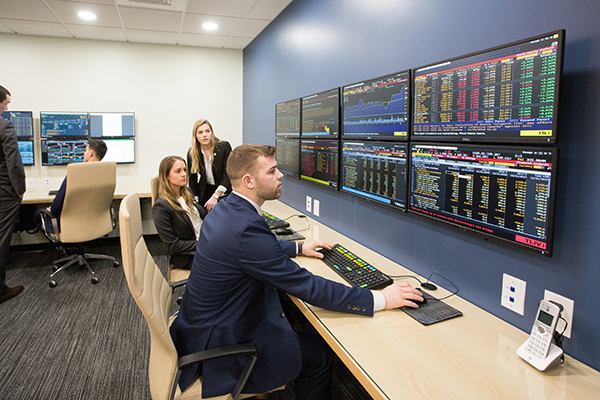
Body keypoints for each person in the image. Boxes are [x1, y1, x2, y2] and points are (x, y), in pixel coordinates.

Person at [170, 144, 424, 400]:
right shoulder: (246, 227)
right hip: (222, 346)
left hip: (199, 327)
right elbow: (308, 286)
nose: (281, 175)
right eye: (272, 171)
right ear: (249, 181)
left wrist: (298, 247)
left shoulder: (227, 209)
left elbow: (251, 250)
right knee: (319, 356)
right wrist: (381, 299)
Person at [33, 138, 107, 233]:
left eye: (85, 151)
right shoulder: (105, 173)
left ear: (91, 153)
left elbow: (56, 206)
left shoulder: (76, 172)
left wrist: (51, 210)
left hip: (69, 224)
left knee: (37, 214)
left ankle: (59, 246)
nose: (84, 154)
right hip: (94, 221)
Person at [152, 156, 206, 270]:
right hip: (189, 255)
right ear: (166, 176)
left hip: (206, 241)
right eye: (178, 171)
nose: (184, 174)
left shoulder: (188, 193)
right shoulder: (161, 207)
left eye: (185, 170)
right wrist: (205, 243)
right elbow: (173, 246)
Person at [0, 85, 26, 304]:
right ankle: (1, 290)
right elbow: (13, 163)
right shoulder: (4, 126)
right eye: (6, 103)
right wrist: (19, 191)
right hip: (4, 193)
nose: (7, 108)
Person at [186, 119, 232, 213]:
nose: (205, 135)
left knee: (219, 212)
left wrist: (216, 195)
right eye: (200, 132)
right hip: (205, 189)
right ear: (195, 136)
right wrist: (195, 200)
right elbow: (192, 179)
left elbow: (228, 174)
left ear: (212, 132)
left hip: (223, 188)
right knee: (201, 213)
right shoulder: (192, 153)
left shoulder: (224, 147)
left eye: (207, 131)